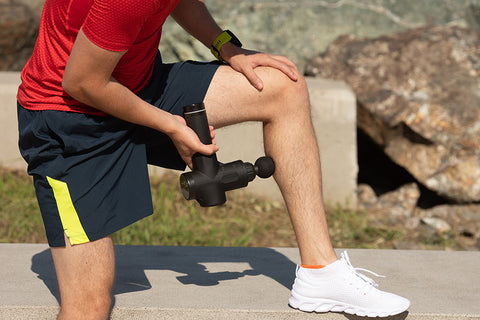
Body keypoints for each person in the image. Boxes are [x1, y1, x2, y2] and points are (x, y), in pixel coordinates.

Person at [16, 0, 410, 319]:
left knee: (282, 87)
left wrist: (227, 48)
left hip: (136, 85)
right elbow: (83, 82)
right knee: (90, 306)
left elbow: (181, 3)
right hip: (69, 120)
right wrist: (172, 126)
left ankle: (321, 272)